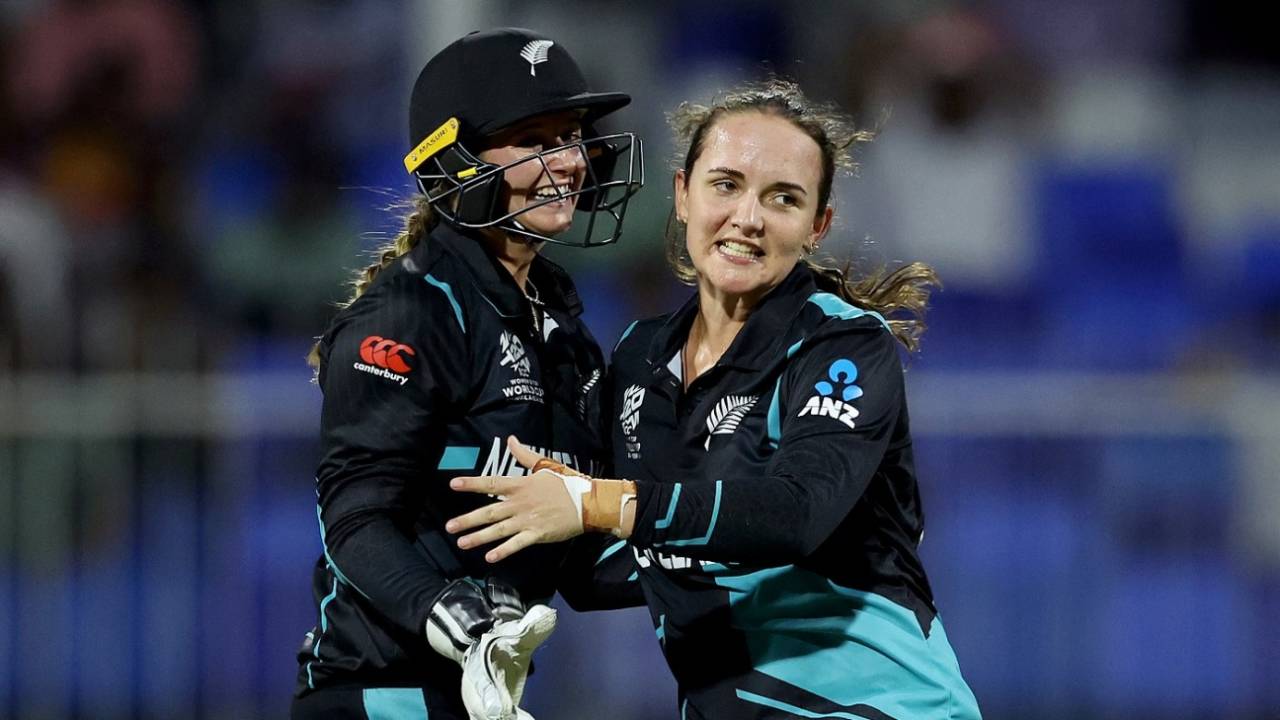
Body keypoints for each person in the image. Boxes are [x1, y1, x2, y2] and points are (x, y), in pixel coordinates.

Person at [446, 79, 982, 719]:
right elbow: (604, 571)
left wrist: (597, 502)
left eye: (783, 199)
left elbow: (794, 514)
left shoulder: (842, 345)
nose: (747, 218)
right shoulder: (640, 358)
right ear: (681, 195)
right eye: (725, 185)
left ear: (818, 226)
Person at [291, 28, 644, 720]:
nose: (569, 161)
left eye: (571, 136)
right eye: (535, 140)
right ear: (455, 161)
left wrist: (735, 553)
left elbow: (585, 571)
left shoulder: (564, 330)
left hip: (478, 700)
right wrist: (460, 622)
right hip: (381, 696)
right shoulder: (412, 310)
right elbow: (355, 519)